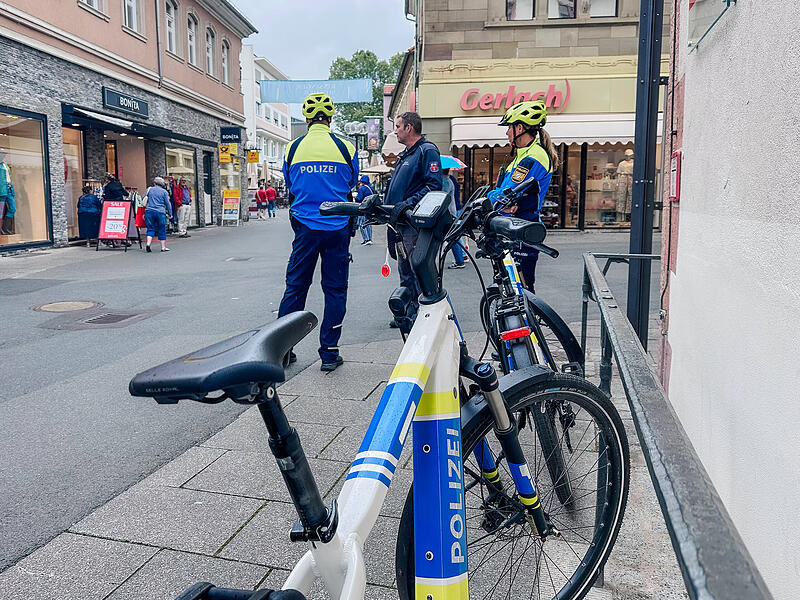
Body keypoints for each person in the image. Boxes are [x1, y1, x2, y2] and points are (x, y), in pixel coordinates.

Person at [278, 92, 358, 372]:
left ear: (307, 119)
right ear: (331, 118)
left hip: (305, 228)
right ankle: (329, 352)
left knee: (296, 287)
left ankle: (283, 351)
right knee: (335, 290)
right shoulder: (346, 147)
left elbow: (289, 183)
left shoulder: (292, 148)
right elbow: (352, 181)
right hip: (337, 227)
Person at [486, 100, 559, 293]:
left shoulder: (533, 156)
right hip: (512, 226)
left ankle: (531, 322)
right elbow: (504, 194)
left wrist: (492, 198)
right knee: (510, 286)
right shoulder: (520, 156)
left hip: (523, 227)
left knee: (523, 288)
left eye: (509, 127)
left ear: (519, 127)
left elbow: (505, 194)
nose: (507, 132)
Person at [384, 111, 443, 326]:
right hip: (399, 223)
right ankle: (409, 312)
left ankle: (427, 315)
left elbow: (433, 186)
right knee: (405, 269)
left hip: (413, 223)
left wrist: (407, 204)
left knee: (418, 269)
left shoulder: (427, 151)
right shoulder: (407, 154)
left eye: (398, 126)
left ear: (409, 127)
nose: (396, 131)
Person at [143, 176, 173, 252]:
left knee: (150, 228)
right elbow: (167, 203)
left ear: (154, 183)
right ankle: (163, 247)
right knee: (162, 229)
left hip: (149, 211)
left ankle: (148, 244)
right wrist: (170, 213)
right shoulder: (164, 192)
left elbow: (142, 198)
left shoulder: (149, 190)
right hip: (160, 212)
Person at [102, 173, 129, 247]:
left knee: (112, 222)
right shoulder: (119, 184)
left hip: (112, 206)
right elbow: (126, 194)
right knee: (120, 222)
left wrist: (103, 195)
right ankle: (121, 239)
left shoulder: (108, 186)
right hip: (121, 205)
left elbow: (107, 197)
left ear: (107, 180)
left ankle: (114, 240)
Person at [355, 175, 375, 245]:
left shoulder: (362, 188)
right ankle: (370, 238)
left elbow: (359, 198)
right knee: (368, 224)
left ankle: (366, 239)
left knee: (361, 224)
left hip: (363, 209)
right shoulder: (371, 188)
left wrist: (355, 198)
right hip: (370, 208)